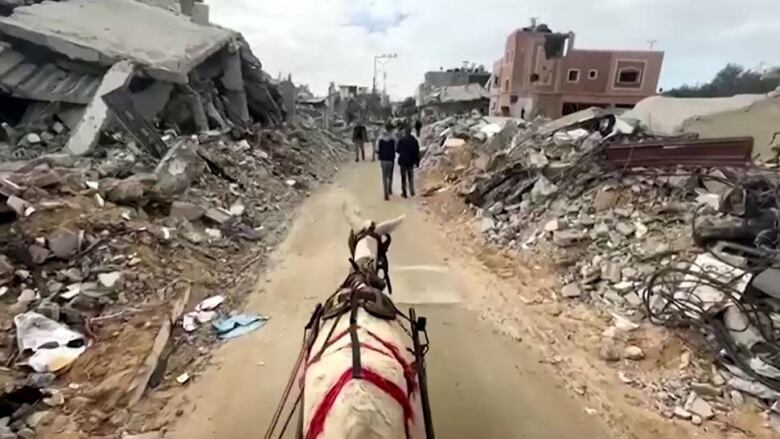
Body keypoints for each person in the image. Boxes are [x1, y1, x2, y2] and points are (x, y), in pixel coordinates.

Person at [396, 125, 421, 198]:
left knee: (403, 178)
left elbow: (397, 150)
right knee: (410, 177)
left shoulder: (401, 140)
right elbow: (417, 152)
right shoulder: (414, 140)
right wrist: (417, 162)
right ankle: (412, 191)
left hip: (403, 161)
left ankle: (404, 192)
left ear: (405, 132)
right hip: (411, 161)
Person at [375, 123, 396, 201]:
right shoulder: (393, 138)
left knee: (384, 177)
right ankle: (390, 189)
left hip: (383, 160)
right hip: (391, 159)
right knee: (390, 176)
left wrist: (380, 153)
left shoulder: (380, 139)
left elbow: (377, 149)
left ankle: (385, 193)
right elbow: (396, 147)